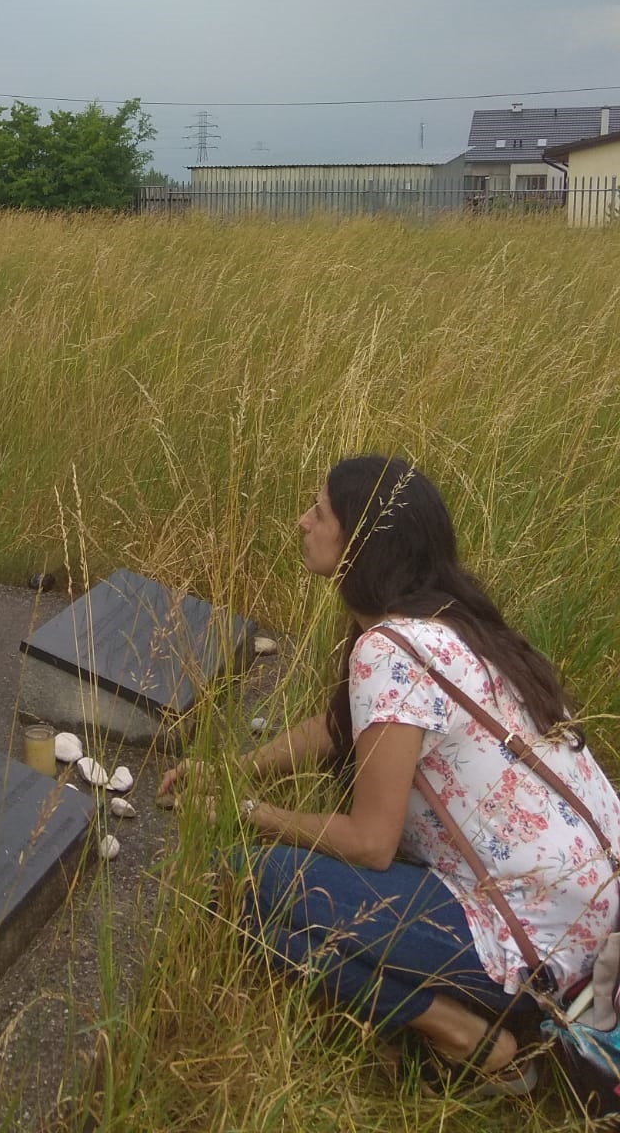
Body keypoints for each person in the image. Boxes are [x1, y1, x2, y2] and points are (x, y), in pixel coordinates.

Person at [159, 454, 620, 1097]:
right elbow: (344, 727)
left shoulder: (388, 648)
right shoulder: (454, 621)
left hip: (535, 941)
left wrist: (247, 813)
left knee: (241, 888)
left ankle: (478, 1042)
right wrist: (234, 769)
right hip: (598, 915)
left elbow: (372, 842)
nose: (301, 522)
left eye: (320, 512)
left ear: (361, 546)